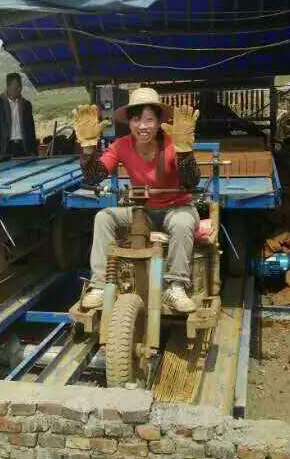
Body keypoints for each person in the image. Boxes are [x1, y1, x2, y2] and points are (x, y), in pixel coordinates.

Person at [74, 88, 201, 314]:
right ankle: (100, 285)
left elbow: (191, 182)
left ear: (160, 122)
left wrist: (184, 153)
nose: (143, 126)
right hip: (144, 211)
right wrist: (88, 149)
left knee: (182, 223)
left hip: (177, 208)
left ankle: (176, 287)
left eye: (149, 120)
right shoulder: (122, 145)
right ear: (129, 123)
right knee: (103, 217)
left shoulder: (173, 143)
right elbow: (95, 176)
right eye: (136, 120)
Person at [0, 72, 38, 158]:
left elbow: (31, 129)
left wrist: (34, 150)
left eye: (20, 86)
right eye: (16, 87)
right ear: (8, 87)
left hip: (23, 147)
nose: (19, 89)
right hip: (6, 147)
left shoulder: (26, 105)